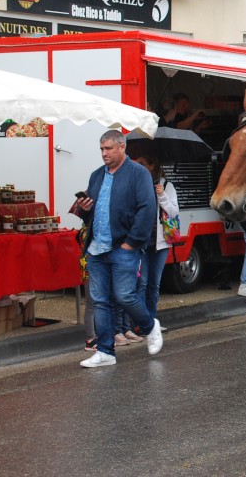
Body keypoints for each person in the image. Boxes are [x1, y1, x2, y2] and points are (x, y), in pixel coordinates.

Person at [74, 130, 163, 367]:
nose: (104, 153)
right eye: (102, 149)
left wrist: (130, 244)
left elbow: (147, 209)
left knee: (124, 295)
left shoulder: (138, 173)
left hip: (123, 247)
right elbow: (90, 215)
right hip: (96, 249)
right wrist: (84, 208)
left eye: (109, 148)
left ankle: (149, 325)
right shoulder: (96, 176)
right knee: (100, 301)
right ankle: (105, 351)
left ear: (122, 147)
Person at [134, 153, 179, 321]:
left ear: (152, 166)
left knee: (154, 284)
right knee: (142, 282)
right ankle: (141, 322)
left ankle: (151, 320)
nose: (138, 167)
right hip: (142, 243)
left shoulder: (166, 186)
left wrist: (162, 196)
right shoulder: (138, 185)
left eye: (142, 163)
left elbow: (174, 212)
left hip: (160, 243)